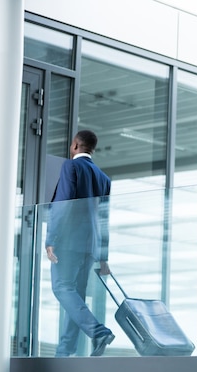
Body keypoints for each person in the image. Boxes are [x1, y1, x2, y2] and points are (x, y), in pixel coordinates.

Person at [46, 130, 114, 357]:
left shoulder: (71, 167)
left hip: (68, 243)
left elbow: (63, 203)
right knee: (75, 297)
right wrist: (103, 255)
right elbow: (104, 219)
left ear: (75, 145)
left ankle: (98, 332)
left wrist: (51, 238)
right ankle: (65, 351)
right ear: (92, 148)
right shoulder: (104, 178)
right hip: (90, 248)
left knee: (61, 288)